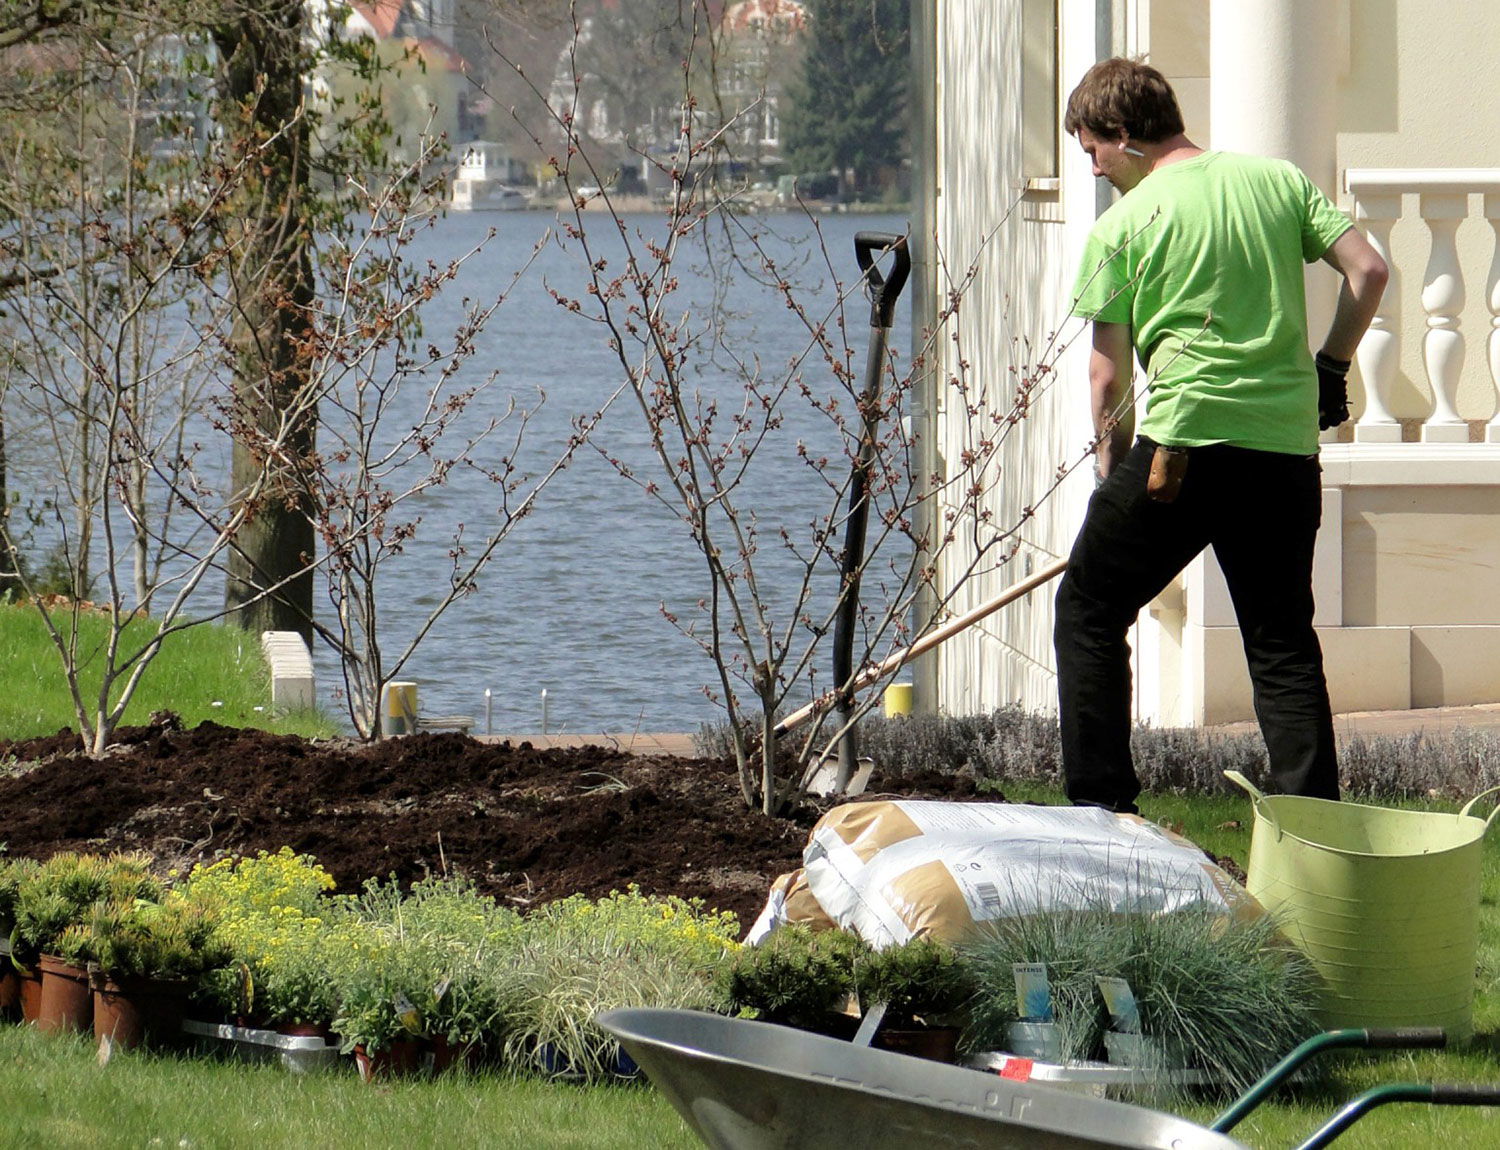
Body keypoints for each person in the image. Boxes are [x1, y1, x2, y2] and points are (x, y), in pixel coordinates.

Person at [1053, 58, 1388, 814]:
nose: (1096, 171)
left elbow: (1107, 381)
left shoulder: (1123, 227)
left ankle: (1103, 814)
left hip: (1183, 452)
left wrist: (1112, 477)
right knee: (1280, 643)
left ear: (1123, 134)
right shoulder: (1277, 182)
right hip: (1282, 455)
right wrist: (1330, 365)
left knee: (1088, 608)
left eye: (1093, 152)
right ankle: (1315, 834)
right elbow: (1369, 271)